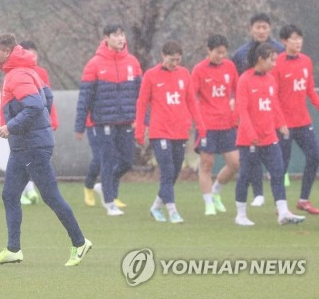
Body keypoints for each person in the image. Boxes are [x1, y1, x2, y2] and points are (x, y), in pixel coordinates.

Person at [0, 33, 91, 266]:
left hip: (32, 146)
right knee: (10, 195)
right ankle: (13, 249)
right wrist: (38, 124)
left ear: (6, 52)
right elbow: (48, 97)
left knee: (51, 196)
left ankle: (80, 242)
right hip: (24, 145)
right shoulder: (26, 70)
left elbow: (34, 105)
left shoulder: (17, 73)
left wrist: (11, 126)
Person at [234, 42, 305, 226]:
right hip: (249, 139)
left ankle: (283, 213)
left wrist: (281, 123)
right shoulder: (245, 80)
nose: (275, 64)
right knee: (245, 176)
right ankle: (240, 215)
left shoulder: (270, 79)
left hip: (269, 137)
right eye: (272, 60)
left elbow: (274, 105)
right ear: (261, 59)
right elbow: (242, 111)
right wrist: (251, 134)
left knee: (278, 172)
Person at [74, 24, 142, 216]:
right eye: (116, 35)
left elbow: (141, 94)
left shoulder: (132, 62)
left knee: (127, 161)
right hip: (102, 121)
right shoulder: (94, 64)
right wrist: (80, 125)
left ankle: (104, 185)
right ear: (106, 38)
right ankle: (109, 202)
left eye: (122, 34)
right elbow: (85, 96)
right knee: (107, 159)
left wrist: (142, 118)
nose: (121, 38)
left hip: (126, 120)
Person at [135, 41, 206, 223]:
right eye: (171, 59)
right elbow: (142, 103)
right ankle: (172, 211)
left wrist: (200, 123)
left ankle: (156, 207)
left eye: (177, 60)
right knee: (167, 171)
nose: (175, 63)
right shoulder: (151, 76)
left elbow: (191, 101)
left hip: (180, 131)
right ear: (163, 56)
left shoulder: (184, 74)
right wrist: (140, 128)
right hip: (160, 131)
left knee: (174, 173)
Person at [232, 13, 285, 206]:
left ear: (270, 28)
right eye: (257, 27)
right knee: (248, 165)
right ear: (251, 28)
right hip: (249, 114)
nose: (261, 30)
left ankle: (282, 206)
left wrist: (281, 120)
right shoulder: (240, 55)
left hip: (271, 112)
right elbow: (236, 84)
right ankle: (257, 194)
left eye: (264, 27)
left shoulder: (280, 50)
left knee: (278, 163)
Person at [271, 24, 319, 214]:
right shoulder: (277, 63)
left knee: (315, 156)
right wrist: (280, 122)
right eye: (293, 38)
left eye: (300, 38)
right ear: (284, 41)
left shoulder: (306, 61)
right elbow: (273, 96)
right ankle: (280, 204)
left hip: (303, 122)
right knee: (281, 165)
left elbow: (310, 91)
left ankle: (303, 200)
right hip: (283, 125)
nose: (298, 42)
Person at [191, 35, 239, 215]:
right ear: (208, 51)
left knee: (235, 163)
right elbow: (191, 96)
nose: (221, 56)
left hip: (227, 123)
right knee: (206, 164)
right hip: (207, 125)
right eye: (217, 52)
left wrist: (235, 107)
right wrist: (197, 120)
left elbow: (238, 90)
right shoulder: (199, 70)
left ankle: (216, 191)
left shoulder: (230, 67)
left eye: (223, 53)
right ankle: (208, 203)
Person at [18, 40, 59, 205]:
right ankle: (24, 190)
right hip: (22, 123)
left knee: (37, 157)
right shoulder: (15, 74)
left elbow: (48, 97)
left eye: (34, 53)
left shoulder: (41, 73)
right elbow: (7, 102)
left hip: (39, 124)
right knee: (22, 157)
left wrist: (52, 118)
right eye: (28, 53)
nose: (32, 57)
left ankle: (32, 189)